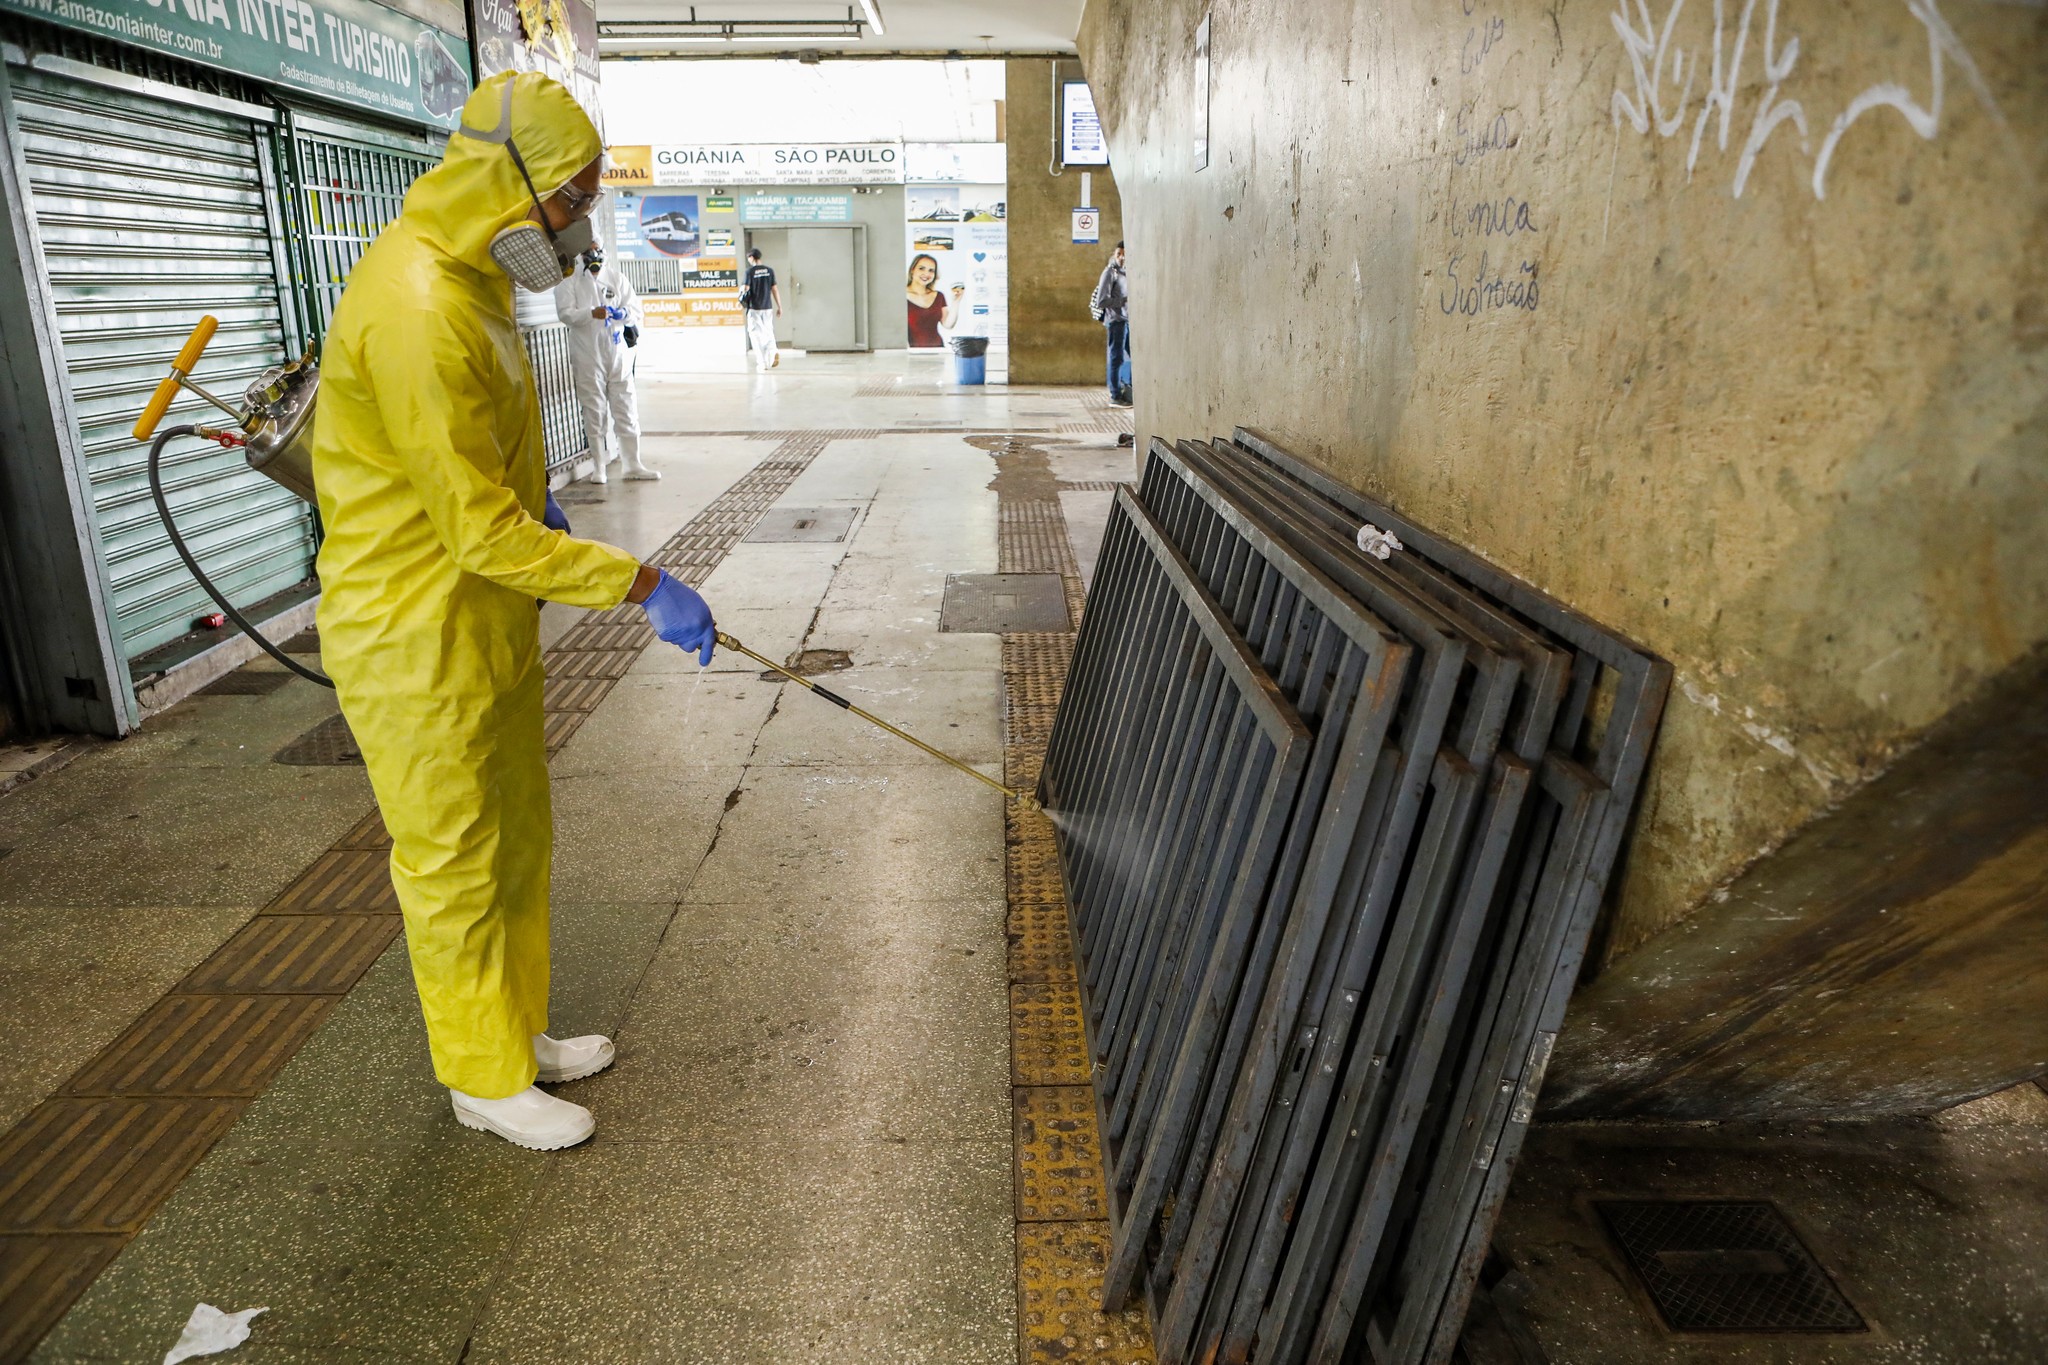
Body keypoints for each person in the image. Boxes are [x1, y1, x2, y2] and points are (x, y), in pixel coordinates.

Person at [310, 71, 719, 1152]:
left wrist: (532, 490)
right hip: (414, 633)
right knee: (449, 859)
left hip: (481, 624)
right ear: (508, 182)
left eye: (588, 198)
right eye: (570, 199)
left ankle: (514, 1028)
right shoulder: (415, 310)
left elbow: (487, 478)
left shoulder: (475, 279)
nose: (578, 221)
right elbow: (477, 532)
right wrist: (639, 583)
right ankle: (479, 1077)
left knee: (514, 841)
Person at [554, 243, 655, 482]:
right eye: (587, 249)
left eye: (596, 247)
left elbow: (635, 309)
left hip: (617, 352)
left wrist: (624, 314)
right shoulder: (569, 284)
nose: (593, 253)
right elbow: (565, 314)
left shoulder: (616, 278)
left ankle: (632, 464)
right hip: (588, 355)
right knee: (594, 410)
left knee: (626, 408)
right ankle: (599, 466)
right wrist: (590, 313)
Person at [1091, 241, 1132, 407]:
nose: (1121, 257)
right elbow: (1102, 301)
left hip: (1127, 321)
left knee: (1129, 356)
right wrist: (1124, 300)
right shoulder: (1110, 273)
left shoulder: (1126, 273)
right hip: (1116, 321)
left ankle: (1127, 391)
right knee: (1116, 358)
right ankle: (1115, 395)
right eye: (1118, 254)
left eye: (1124, 254)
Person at [905, 253, 960, 349]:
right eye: (921, 268)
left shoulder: (938, 296)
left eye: (931, 270)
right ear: (912, 270)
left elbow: (948, 325)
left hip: (938, 350)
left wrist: (956, 301)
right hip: (912, 353)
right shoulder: (900, 296)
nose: (926, 274)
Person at [740, 247, 781, 368]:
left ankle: (762, 362)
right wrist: (780, 306)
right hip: (768, 307)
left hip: (754, 308)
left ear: (752, 257)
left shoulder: (749, 272)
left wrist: (741, 300)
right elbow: (775, 289)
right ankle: (773, 351)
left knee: (755, 334)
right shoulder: (770, 271)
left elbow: (745, 290)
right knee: (768, 331)